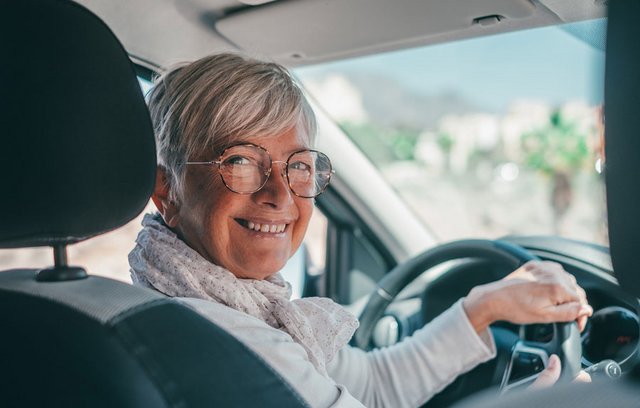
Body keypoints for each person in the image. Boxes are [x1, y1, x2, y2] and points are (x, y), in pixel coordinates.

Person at [129, 53, 592, 407]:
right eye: (241, 162)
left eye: (299, 166)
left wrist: (483, 307)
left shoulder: (149, 307)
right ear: (167, 191)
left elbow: (371, 386)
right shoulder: (231, 342)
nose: (282, 194)